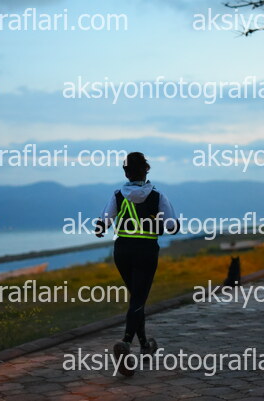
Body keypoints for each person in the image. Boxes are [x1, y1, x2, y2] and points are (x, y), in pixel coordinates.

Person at [95, 152, 179, 376]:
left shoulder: (117, 195)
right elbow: (171, 226)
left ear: (126, 173)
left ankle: (144, 345)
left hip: (122, 251)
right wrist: (172, 224)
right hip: (146, 251)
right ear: (146, 170)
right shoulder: (158, 196)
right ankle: (125, 343)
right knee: (139, 299)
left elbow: (102, 223)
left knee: (136, 298)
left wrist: (101, 228)